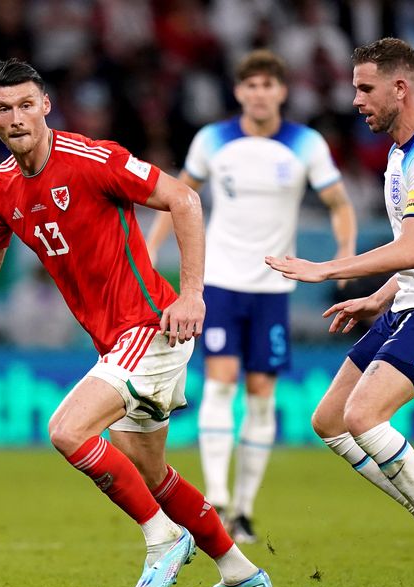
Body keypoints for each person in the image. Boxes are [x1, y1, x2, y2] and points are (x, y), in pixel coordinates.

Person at [0, 59, 272, 587]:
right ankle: (239, 570)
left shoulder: (92, 159)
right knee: (150, 471)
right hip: (114, 341)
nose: (16, 117)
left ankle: (162, 539)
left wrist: (192, 294)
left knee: (67, 430)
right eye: (3, 108)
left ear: (45, 106)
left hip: (149, 325)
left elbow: (184, 199)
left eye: (25, 105)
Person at [266, 37, 414, 587]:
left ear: (400, 86)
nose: (356, 100)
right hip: (411, 300)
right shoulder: (398, 152)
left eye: (365, 88)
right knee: (330, 420)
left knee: (364, 415)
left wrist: (326, 269)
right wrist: (379, 298)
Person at [146, 49, 357, 544]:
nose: (260, 93)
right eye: (251, 85)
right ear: (239, 92)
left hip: (273, 286)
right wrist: (152, 249)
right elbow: (176, 196)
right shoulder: (212, 140)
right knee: (220, 382)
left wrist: (345, 253)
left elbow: (339, 202)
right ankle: (217, 501)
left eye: (269, 85)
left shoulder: (305, 144)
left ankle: (243, 510)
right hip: (219, 280)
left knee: (262, 395)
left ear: (282, 91)